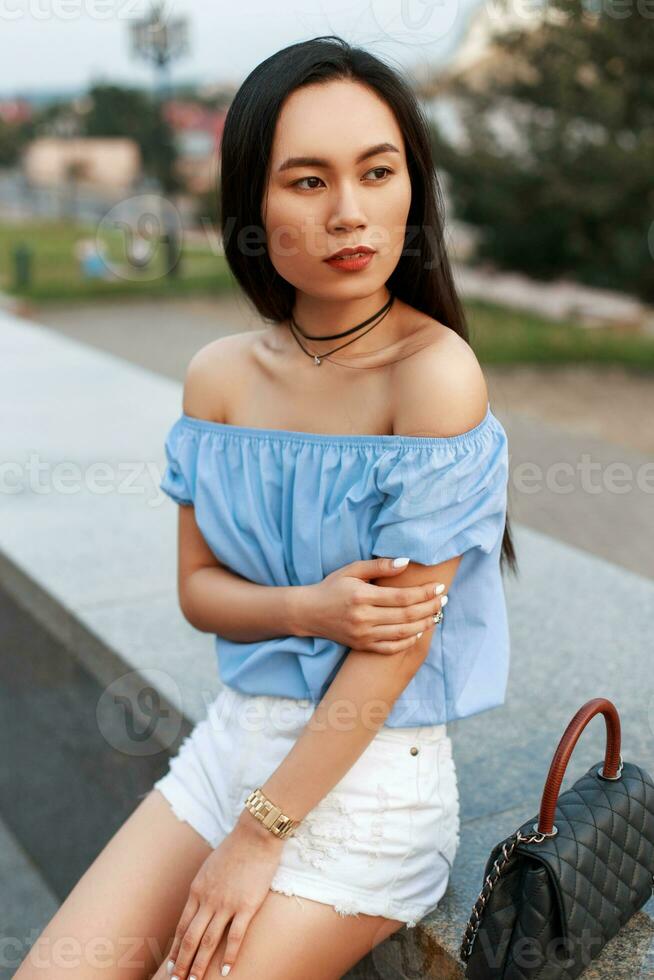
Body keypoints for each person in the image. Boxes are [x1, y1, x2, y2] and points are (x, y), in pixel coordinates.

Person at [15, 35, 518, 980]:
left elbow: (394, 646)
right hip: (231, 747)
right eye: (307, 181)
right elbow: (200, 592)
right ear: (251, 200)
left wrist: (260, 837)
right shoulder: (219, 380)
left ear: (415, 185)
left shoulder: (435, 376)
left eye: (378, 171)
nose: (350, 212)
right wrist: (307, 609)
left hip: (371, 786)